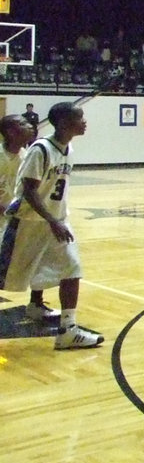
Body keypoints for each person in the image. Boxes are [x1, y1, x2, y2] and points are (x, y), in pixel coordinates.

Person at [0, 102, 103, 349]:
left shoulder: (67, 149)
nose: (84, 121)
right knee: (5, 275)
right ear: (65, 123)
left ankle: (68, 329)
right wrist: (52, 220)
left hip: (53, 221)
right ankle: (44, 311)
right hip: (27, 222)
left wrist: (58, 219)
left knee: (72, 268)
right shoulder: (40, 150)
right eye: (80, 117)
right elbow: (30, 192)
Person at [0, 114, 59, 324]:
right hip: (5, 217)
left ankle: (36, 303)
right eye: (23, 124)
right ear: (10, 132)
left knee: (38, 256)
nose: (30, 126)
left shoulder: (26, 154)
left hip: (14, 218)